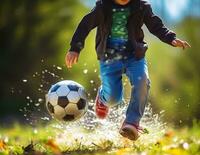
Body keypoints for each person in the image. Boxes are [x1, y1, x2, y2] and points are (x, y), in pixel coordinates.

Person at [65, 0, 190, 141]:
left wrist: (171, 38)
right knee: (113, 99)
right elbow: (85, 25)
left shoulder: (141, 6)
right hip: (109, 57)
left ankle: (131, 122)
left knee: (142, 80)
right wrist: (75, 48)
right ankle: (103, 96)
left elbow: (156, 26)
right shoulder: (103, 6)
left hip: (134, 56)